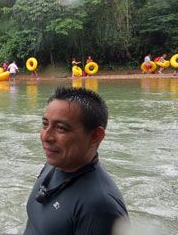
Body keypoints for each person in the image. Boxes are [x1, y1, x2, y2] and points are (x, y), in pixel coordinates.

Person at [24, 87, 128, 235]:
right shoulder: (54, 165)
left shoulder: (99, 208)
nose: (46, 137)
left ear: (95, 136)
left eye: (61, 128)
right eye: (45, 124)